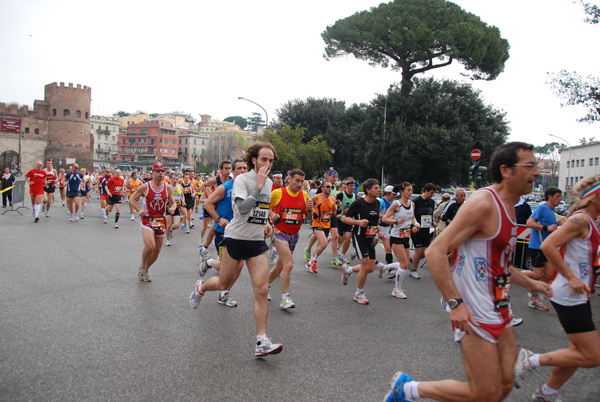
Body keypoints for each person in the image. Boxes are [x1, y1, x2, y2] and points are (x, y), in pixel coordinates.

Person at [383, 142, 553, 402]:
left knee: (505, 384)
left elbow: (501, 264)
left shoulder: (510, 207)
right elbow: (436, 251)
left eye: (536, 166)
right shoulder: (483, 203)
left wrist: (531, 284)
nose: (537, 172)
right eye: (529, 166)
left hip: (500, 307)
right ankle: (407, 390)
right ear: (506, 170)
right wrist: (456, 303)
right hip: (474, 310)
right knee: (484, 392)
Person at [189, 142, 283, 357]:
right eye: (264, 159)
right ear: (254, 160)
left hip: (256, 241)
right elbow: (242, 208)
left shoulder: (269, 183)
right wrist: (258, 185)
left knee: (262, 289)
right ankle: (201, 287)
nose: (267, 164)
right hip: (236, 238)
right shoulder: (242, 180)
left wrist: (266, 222)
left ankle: (262, 341)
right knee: (223, 282)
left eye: (270, 161)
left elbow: (260, 207)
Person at [515, 175, 600, 402]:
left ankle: (548, 392)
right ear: (594, 197)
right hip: (569, 294)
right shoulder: (580, 220)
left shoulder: (589, 221)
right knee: (592, 356)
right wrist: (571, 277)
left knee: (577, 352)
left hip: (577, 294)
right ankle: (531, 360)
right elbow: (548, 245)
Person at [199, 159, 248, 307]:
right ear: (233, 171)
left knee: (239, 266)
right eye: (239, 168)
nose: (243, 171)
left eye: (245, 168)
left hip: (241, 233)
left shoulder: (248, 189)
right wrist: (218, 219)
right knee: (229, 267)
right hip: (224, 233)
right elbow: (207, 203)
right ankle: (208, 262)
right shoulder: (224, 188)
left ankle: (224, 294)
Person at [267, 169, 312, 309]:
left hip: (294, 234)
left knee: (280, 265)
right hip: (280, 232)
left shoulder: (305, 195)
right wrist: (270, 214)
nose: (299, 184)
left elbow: (308, 218)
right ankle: (285, 298)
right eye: (297, 180)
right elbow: (264, 207)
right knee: (289, 264)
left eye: (301, 181)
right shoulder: (278, 193)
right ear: (289, 179)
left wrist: (309, 210)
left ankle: (264, 285)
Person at [129, 162, 176, 282]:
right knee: (150, 246)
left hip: (160, 220)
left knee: (157, 250)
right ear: (153, 173)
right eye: (158, 171)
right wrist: (139, 209)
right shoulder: (146, 187)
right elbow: (132, 199)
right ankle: (143, 265)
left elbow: (173, 202)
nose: (160, 173)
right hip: (147, 219)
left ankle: (144, 268)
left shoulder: (167, 187)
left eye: (162, 171)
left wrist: (172, 208)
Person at [339, 178, 381, 305]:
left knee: (371, 268)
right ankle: (359, 293)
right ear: (368, 190)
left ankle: (348, 270)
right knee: (365, 265)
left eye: (379, 187)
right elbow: (345, 218)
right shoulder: (358, 203)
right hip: (359, 236)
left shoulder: (377, 203)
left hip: (370, 237)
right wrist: (358, 222)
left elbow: (374, 220)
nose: (379, 190)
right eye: (376, 188)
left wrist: (377, 227)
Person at [523, 186, 563, 311]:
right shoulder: (541, 208)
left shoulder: (552, 210)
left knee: (549, 274)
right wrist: (546, 228)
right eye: (558, 196)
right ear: (549, 197)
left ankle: (535, 299)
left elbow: (550, 225)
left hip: (547, 248)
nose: (560, 199)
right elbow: (529, 223)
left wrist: (558, 224)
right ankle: (510, 275)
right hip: (537, 246)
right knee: (537, 274)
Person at [378, 182, 418, 299]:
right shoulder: (396, 205)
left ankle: (384, 267)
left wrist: (416, 224)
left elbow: (412, 218)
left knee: (404, 264)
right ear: (402, 192)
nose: (411, 192)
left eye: (411, 190)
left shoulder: (412, 204)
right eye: (408, 190)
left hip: (406, 236)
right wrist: (396, 222)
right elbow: (385, 218)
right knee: (405, 264)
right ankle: (396, 289)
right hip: (396, 237)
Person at [305, 170, 342, 266]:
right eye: (333, 176)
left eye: (336, 177)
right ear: (328, 177)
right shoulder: (320, 192)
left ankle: (334, 257)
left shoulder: (334, 190)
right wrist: (313, 211)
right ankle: (309, 249)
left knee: (334, 235)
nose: (335, 179)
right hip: (318, 219)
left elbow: (332, 203)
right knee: (321, 241)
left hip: (330, 216)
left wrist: (336, 204)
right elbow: (312, 202)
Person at [409, 183, 437, 279]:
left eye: (433, 193)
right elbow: (410, 216)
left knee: (425, 253)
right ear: (425, 191)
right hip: (416, 230)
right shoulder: (415, 202)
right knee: (418, 251)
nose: (432, 195)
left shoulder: (431, 202)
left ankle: (411, 261)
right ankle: (413, 270)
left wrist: (433, 222)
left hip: (426, 230)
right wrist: (413, 225)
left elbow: (431, 214)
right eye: (431, 193)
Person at [336, 177, 358, 263]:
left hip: (349, 220)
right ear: (346, 186)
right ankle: (336, 249)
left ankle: (342, 255)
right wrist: (337, 213)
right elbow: (334, 205)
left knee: (348, 238)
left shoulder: (355, 196)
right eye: (351, 185)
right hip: (340, 220)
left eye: (354, 186)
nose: (353, 187)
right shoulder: (341, 195)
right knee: (340, 239)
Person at [378, 185, 397, 267]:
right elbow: (375, 213)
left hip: (386, 228)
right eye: (393, 194)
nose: (394, 196)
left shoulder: (393, 203)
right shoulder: (381, 202)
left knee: (388, 249)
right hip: (378, 226)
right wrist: (386, 217)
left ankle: (390, 268)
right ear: (388, 193)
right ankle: (357, 252)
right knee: (371, 246)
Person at [164, 172, 182, 246]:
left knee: (177, 225)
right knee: (168, 225)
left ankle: (171, 230)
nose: (175, 180)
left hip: (177, 207)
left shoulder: (180, 187)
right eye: (173, 179)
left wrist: (183, 201)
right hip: (169, 207)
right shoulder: (167, 187)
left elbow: (182, 195)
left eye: (176, 179)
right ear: (170, 179)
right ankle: (167, 239)